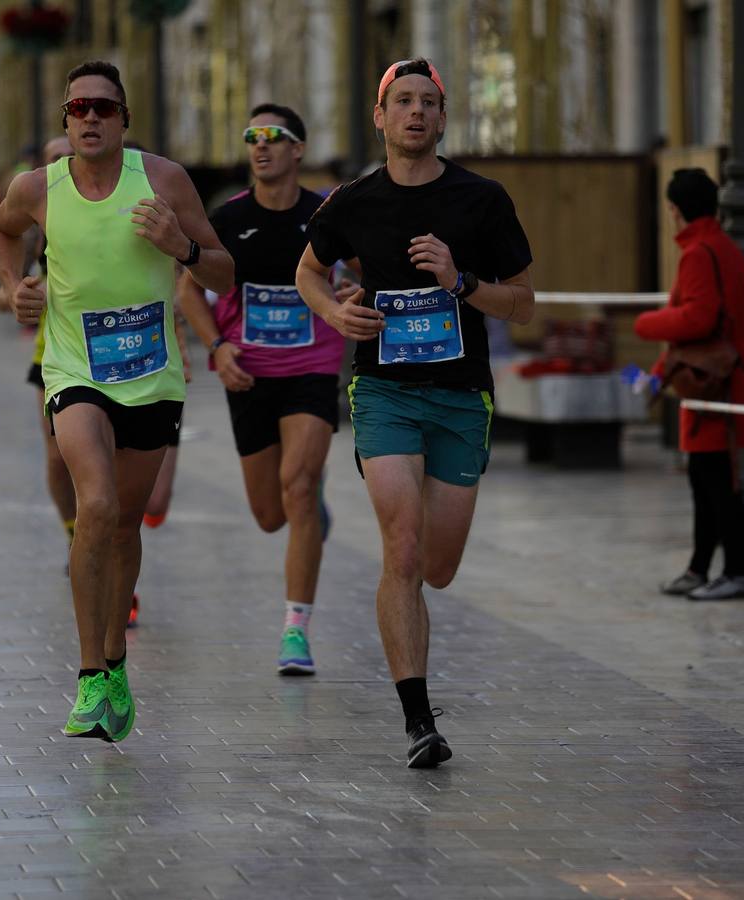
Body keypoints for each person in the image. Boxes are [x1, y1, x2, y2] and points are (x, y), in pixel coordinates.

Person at [297, 59, 534, 768]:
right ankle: (418, 720)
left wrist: (460, 281)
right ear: (380, 116)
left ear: (443, 116)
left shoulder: (482, 200)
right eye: (402, 101)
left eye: (429, 102)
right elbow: (308, 270)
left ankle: (419, 681)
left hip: (462, 397)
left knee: (438, 565)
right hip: (384, 392)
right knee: (400, 548)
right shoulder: (352, 202)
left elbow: (524, 301)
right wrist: (337, 311)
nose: (415, 113)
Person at [0, 60, 233, 741]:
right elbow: (0, 233)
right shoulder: (38, 188)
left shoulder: (164, 181)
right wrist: (15, 287)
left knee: (125, 524)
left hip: (152, 378)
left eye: (103, 107)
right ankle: (90, 674)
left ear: (124, 119)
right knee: (94, 505)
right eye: (78, 108)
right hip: (74, 371)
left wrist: (179, 245)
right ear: (66, 121)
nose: (90, 117)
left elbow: (222, 268)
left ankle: (117, 664)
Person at [178, 103, 353, 677]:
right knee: (270, 514)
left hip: (311, 367)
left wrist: (352, 296)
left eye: (274, 137)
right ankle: (307, 502)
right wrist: (218, 347)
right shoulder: (227, 218)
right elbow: (188, 294)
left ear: (297, 149)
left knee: (298, 490)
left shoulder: (326, 213)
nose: (261, 146)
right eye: (252, 137)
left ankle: (295, 631)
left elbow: (365, 270)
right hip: (247, 373)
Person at [635, 168, 744, 601]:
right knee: (707, 477)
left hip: (713, 382)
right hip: (720, 374)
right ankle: (700, 567)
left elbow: (697, 318)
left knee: (719, 481)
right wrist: (657, 374)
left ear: (675, 210)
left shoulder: (698, 253)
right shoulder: (724, 247)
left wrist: (646, 323)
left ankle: (735, 571)